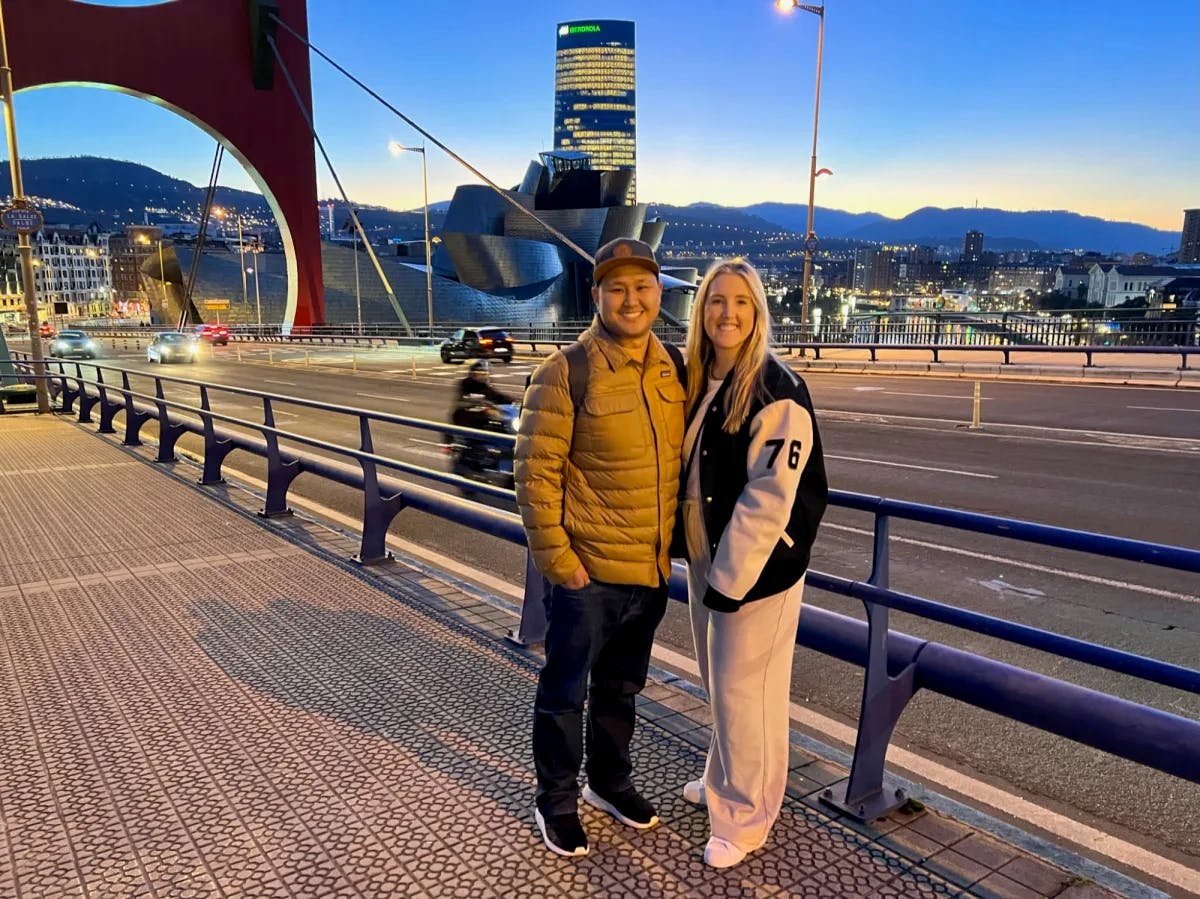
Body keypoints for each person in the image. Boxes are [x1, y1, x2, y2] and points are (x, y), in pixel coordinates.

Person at [515, 237, 686, 858]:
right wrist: (563, 566)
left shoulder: (670, 365)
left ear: (658, 294)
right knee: (565, 691)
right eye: (617, 288)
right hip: (588, 574)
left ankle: (609, 784)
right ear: (597, 297)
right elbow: (535, 475)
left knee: (621, 689)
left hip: (649, 571)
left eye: (642, 287)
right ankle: (555, 801)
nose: (631, 299)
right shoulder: (567, 370)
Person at [677, 258, 828, 869]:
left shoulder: (774, 387)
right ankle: (724, 783)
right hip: (702, 554)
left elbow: (771, 497)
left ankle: (746, 816)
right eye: (716, 301)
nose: (727, 313)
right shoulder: (701, 376)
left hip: (755, 567)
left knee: (748, 692)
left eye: (741, 302)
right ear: (701, 310)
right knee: (722, 686)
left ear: (758, 312)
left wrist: (731, 582)